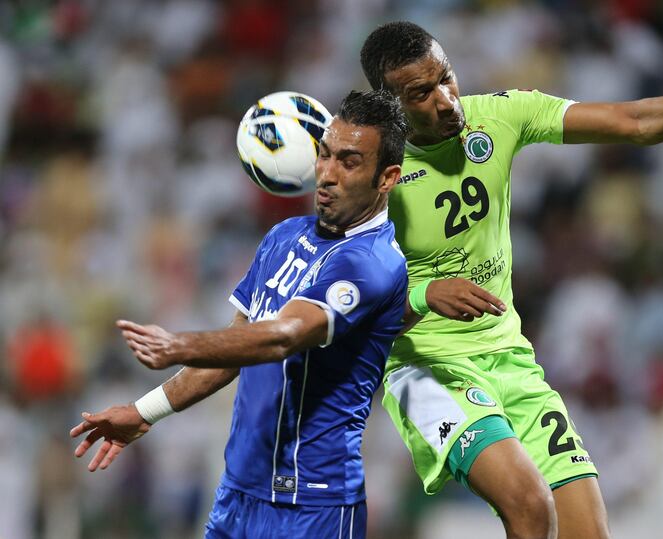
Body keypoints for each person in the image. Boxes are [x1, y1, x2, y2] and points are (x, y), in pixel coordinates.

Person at [359, 21, 663, 539]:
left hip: (510, 361)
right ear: (389, 106)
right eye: (421, 94)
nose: (446, 100)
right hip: (428, 370)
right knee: (528, 505)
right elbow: (351, 303)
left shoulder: (500, 115)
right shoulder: (374, 174)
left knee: (588, 530)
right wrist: (426, 294)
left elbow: (633, 121)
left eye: (446, 78)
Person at [70, 90, 415, 539]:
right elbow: (235, 351)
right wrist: (144, 412)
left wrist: (178, 344)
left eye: (348, 162)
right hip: (239, 492)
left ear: (387, 177)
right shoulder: (284, 236)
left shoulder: (374, 263)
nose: (326, 174)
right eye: (324, 155)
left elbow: (283, 336)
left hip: (312, 505)